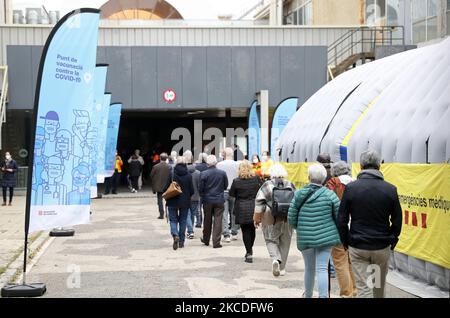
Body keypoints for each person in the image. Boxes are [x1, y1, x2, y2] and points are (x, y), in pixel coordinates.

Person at [337, 150, 402, 298]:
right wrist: (392, 239)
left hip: (358, 246)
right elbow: (397, 220)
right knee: (378, 288)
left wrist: (346, 241)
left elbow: (342, 219)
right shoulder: (390, 189)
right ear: (379, 166)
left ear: (360, 166)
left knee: (364, 289)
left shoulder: (351, 189)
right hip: (381, 246)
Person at [288, 164, 341, 298]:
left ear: (309, 177)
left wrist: (299, 229)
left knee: (309, 268)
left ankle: (308, 295)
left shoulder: (299, 194)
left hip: (306, 237)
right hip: (326, 238)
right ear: (324, 179)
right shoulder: (330, 195)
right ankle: (323, 296)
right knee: (322, 268)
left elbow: (291, 217)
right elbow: (339, 217)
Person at [254, 164, 295, 277]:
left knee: (270, 239)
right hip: (287, 216)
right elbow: (296, 201)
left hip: (270, 215)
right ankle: (282, 269)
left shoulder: (267, 185)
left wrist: (257, 218)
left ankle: (275, 259)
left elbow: (259, 202)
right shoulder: (290, 184)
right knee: (285, 241)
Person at [325, 161, 357, 298]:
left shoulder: (333, 183)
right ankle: (354, 290)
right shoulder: (357, 183)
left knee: (340, 261)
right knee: (351, 261)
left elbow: (327, 202)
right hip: (355, 227)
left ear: (335, 171)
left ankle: (346, 293)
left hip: (337, 227)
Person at [229, 161, 261, 263]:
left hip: (241, 207)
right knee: (252, 229)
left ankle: (248, 252)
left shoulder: (236, 181)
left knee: (245, 231)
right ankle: (250, 250)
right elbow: (260, 191)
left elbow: (232, 194)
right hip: (253, 206)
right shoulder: (256, 179)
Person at [164, 156, 194, 250]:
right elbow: (192, 190)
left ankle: (175, 235)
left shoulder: (172, 174)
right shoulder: (189, 175)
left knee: (173, 220)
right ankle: (181, 241)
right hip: (184, 202)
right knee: (183, 220)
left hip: (172, 200)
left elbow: (165, 187)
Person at [199, 155, 228, 248]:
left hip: (207, 200)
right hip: (219, 199)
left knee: (207, 220)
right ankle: (216, 242)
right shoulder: (222, 173)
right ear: (216, 163)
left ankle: (206, 239)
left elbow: (200, 188)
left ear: (207, 164)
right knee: (218, 220)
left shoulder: (203, 174)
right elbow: (225, 186)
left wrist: (203, 195)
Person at [217, 147, 240, 243]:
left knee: (224, 213)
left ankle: (226, 234)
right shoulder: (237, 164)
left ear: (224, 155)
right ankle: (234, 232)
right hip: (235, 191)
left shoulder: (219, 165)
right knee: (234, 212)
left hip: (223, 191)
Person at [150, 153, 172, 219]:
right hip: (168, 186)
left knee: (160, 201)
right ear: (166, 159)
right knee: (169, 200)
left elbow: (151, 175)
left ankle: (161, 214)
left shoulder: (156, 166)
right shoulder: (169, 167)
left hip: (159, 186)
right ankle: (168, 214)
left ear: (160, 158)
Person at [184, 150, 200, 238]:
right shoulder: (198, 173)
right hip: (195, 197)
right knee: (192, 214)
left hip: (185, 197)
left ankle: (190, 231)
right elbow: (200, 186)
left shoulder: (182, 172)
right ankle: (191, 230)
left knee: (187, 214)